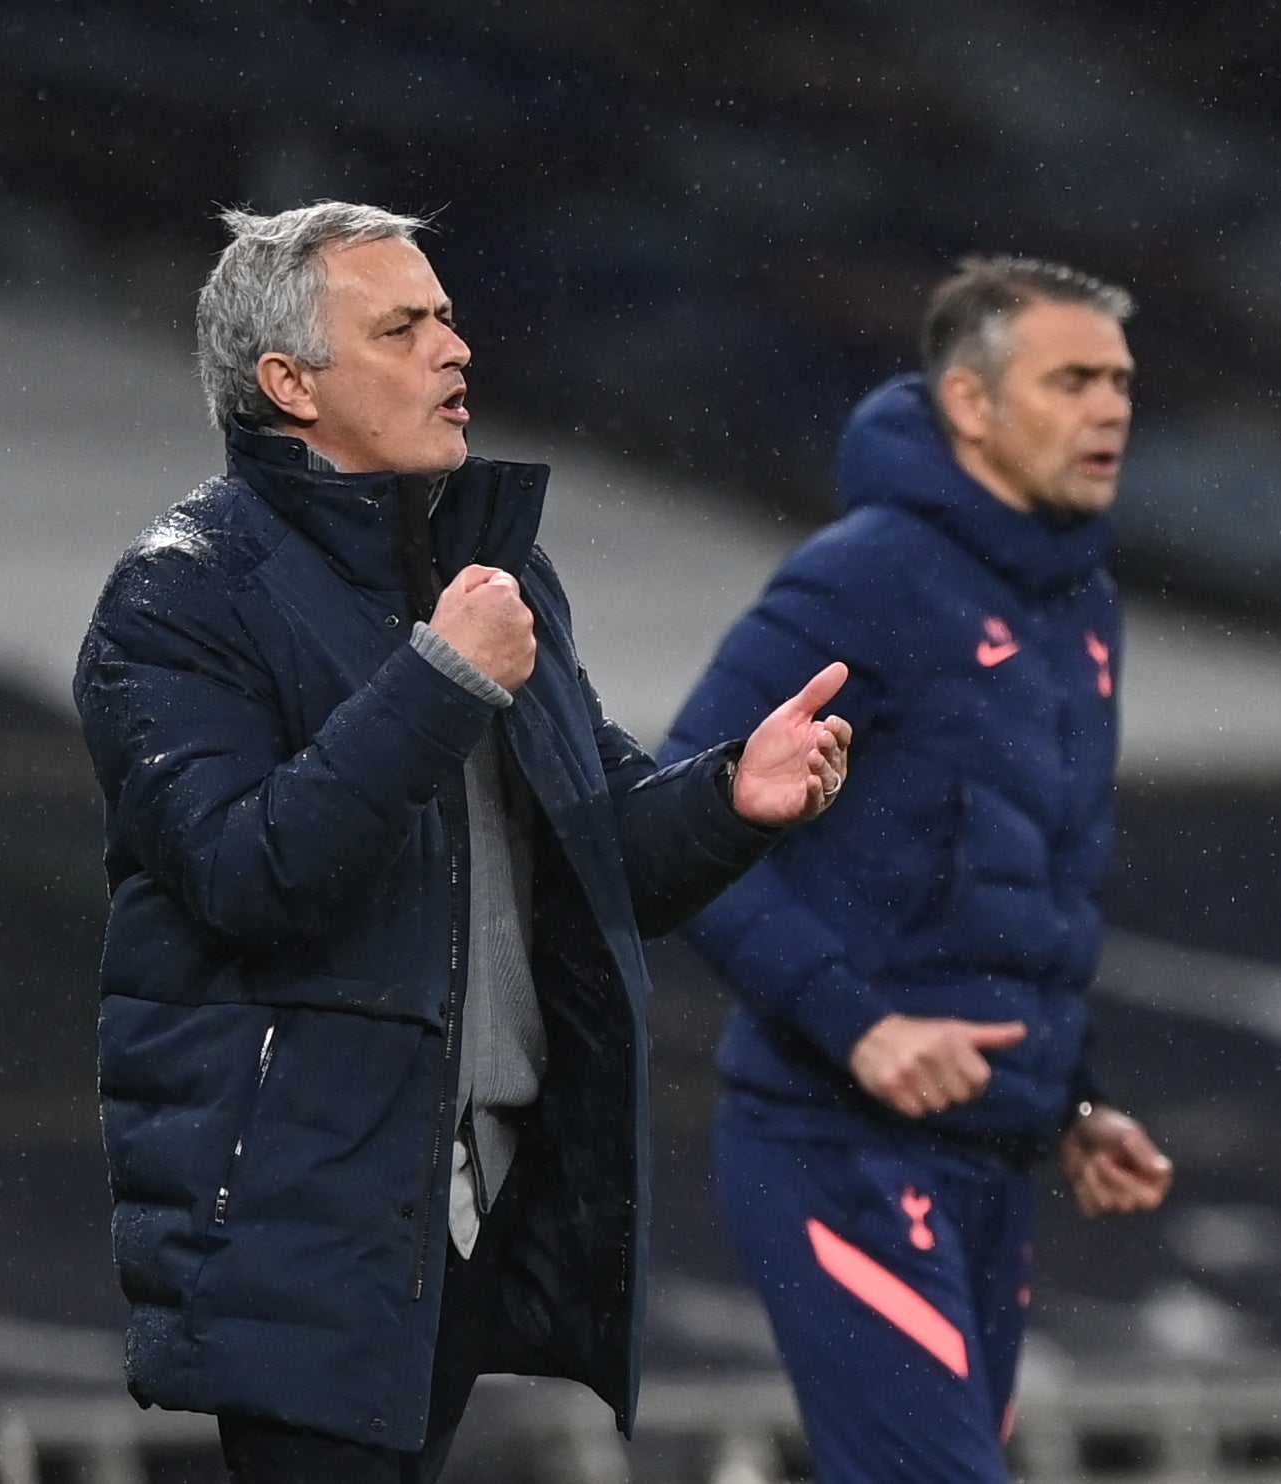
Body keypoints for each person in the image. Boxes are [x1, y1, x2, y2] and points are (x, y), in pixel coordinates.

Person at [72, 201, 853, 1484]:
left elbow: (598, 860)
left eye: (444, 313)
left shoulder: (496, 574)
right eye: (402, 325)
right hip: (300, 1205)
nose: (454, 347)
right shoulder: (183, 590)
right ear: (289, 384)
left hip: (456, 1194)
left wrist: (730, 799)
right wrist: (441, 677)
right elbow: (248, 871)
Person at [663, 255, 1174, 1482]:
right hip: (838, 1139)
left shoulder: (1079, 598)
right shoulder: (869, 572)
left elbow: (1028, 883)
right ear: (969, 403)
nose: (1109, 406)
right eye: (1070, 378)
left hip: (993, 1148)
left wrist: (1072, 1098)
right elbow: (680, 805)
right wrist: (863, 1025)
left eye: (1119, 380)